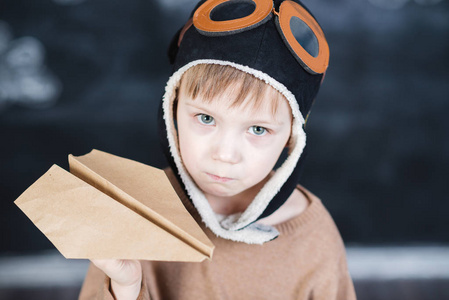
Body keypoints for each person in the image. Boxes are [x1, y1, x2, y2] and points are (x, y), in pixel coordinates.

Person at [79, 0, 356, 299]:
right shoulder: (135, 211)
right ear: (172, 109)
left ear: (291, 136)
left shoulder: (314, 238)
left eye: (258, 129)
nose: (225, 155)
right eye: (206, 118)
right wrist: (125, 286)